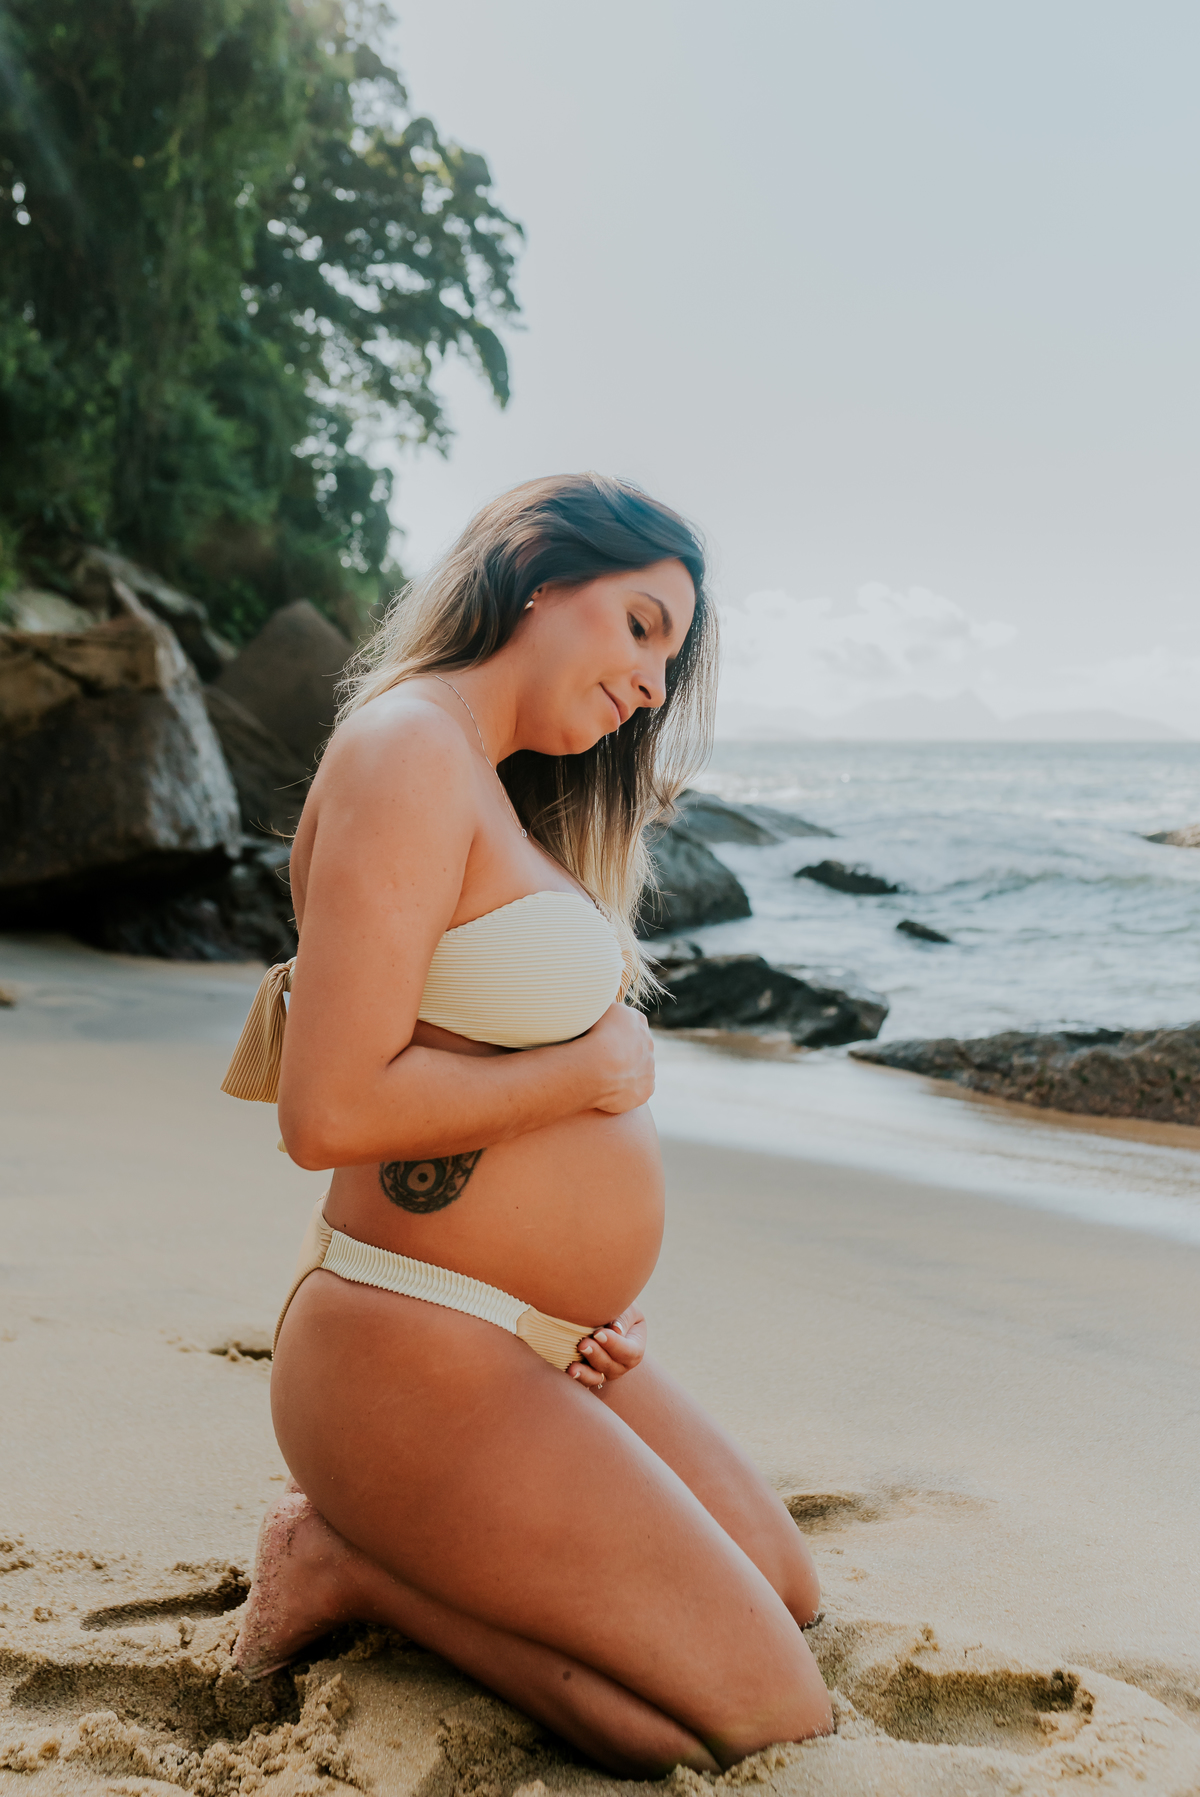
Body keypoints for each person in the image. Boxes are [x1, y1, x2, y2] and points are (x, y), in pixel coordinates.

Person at [225, 473, 833, 1776]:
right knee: (771, 1713)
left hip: (545, 1345)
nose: (652, 687)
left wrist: (576, 1275)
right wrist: (589, 1077)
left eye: (669, 659)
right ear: (538, 570)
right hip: (411, 1336)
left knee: (788, 1590)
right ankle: (352, 1568)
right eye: (641, 628)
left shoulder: (494, 785)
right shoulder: (406, 751)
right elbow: (327, 1108)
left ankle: (387, 1547)